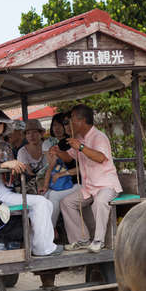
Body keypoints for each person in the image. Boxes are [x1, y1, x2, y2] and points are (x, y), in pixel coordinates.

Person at [0, 109, 62, 257]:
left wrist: (17, 170)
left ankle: (36, 245)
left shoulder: (5, 146)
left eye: (0, 123)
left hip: (4, 191)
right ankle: (42, 248)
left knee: (45, 203)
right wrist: (5, 165)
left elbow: (13, 174)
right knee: (41, 203)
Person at [56, 104, 122, 253]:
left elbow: (100, 157)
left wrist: (80, 147)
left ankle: (99, 241)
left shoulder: (99, 136)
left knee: (99, 202)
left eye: (72, 119)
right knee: (66, 203)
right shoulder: (79, 138)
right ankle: (82, 240)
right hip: (90, 187)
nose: (69, 123)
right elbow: (68, 158)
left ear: (81, 120)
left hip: (106, 185)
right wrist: (57, 152)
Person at [39, 113, 81, 227]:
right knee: (44, 196)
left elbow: (80, 168)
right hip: (64, 183)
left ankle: (49, 231)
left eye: (63, 124)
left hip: (77, 182)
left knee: (53, 196)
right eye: (54, 125)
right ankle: (42, 231)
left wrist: (63, 173)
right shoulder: (61, 144)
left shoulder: (77, 142)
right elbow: (52, 166)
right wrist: (45, 185)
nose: (57, 128)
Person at [16, 119, 49, 194]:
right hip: (32, 186)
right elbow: (29, 172)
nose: (31, 136)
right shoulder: (22, 151)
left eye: (35, 132)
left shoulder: (48, 146)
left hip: (50, 181)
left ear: (41, 133)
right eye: (28, 133)